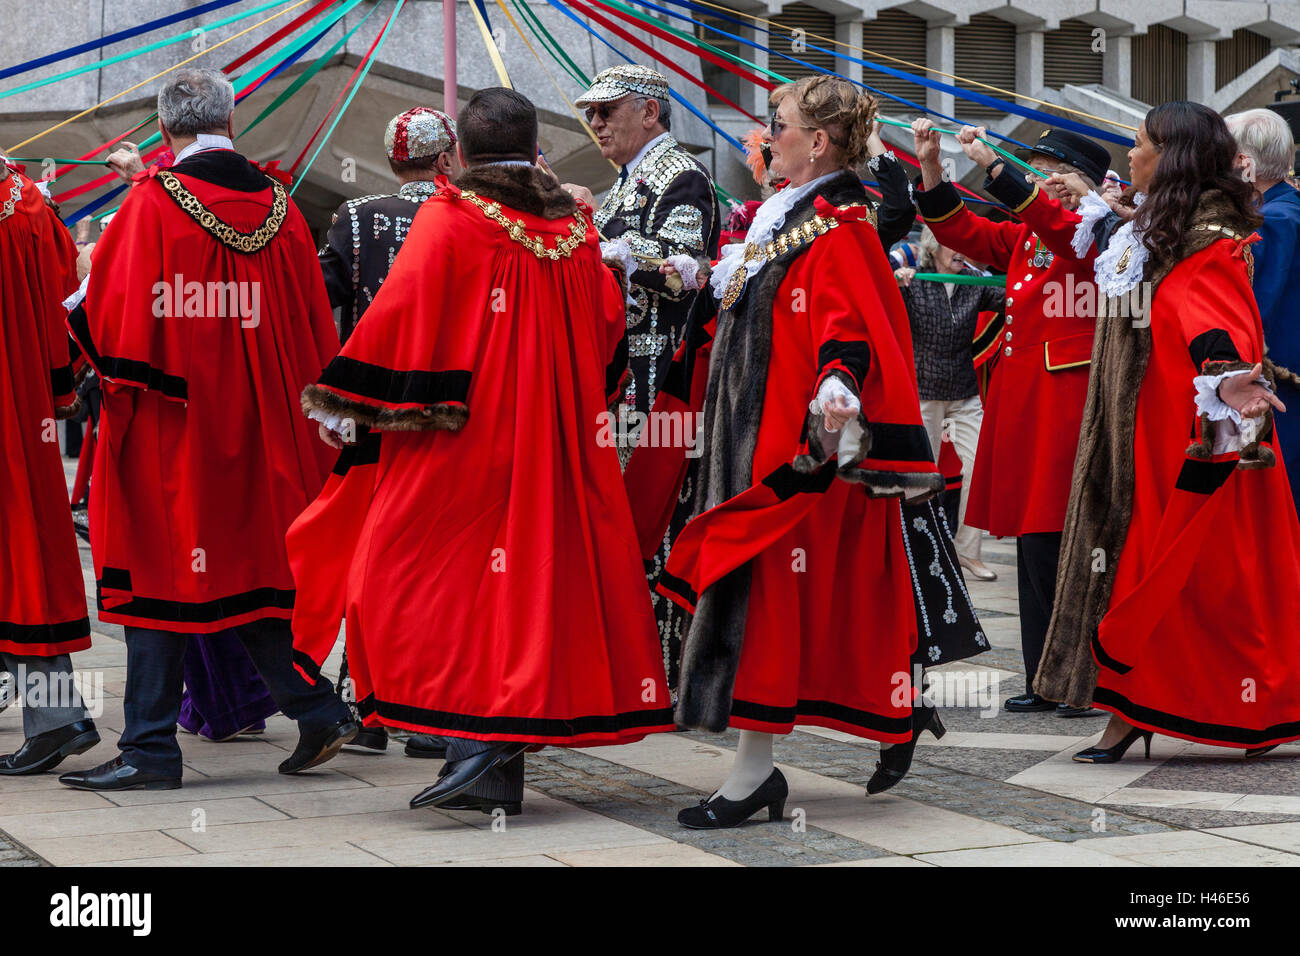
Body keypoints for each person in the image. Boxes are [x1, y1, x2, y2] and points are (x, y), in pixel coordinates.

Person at [286, 88, 674, 817]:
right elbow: (606, 334)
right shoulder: (575, 229)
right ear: (538, 151)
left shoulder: (450, 217)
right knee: (521, 589)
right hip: (556, 441)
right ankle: (488, 761)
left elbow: (400, 316)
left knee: (406, 576)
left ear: (459, 154)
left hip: (463, 439)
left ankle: (484, 744)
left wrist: (347, 408)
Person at [635, 75, 946, 827]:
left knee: (766, 600)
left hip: (786, 454)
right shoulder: (787, 218)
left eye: (778, 124)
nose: (767, 135)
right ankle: (850, 726)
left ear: (818, 142)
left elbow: (849, 324)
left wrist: (838, 383)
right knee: (774, 599)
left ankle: (752, 773)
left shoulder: (839, 225)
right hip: (745, 441)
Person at [60, 68, 357, 793]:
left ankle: (152, 749)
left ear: (166, 132)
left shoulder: (152, 203)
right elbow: (314, 327)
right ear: (232, 121)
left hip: (176, 427)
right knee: (243, 576)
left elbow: (108, 316)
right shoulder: (284, 208)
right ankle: (317, 711)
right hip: (261, 431)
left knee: (157, 575)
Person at [1035, 101, 1300, 761]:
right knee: (1152, 565)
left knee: (1195, 570)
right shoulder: (1162, 223)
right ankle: (1141, 705)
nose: (1130, 154)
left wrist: (1224, 374)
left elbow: (1213, 313)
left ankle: (1221, 703)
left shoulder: (1211, 233)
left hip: (1186, 430)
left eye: (1140, 143)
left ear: (1172, 156)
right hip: (1136, 427)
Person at [912, 120, 1111, 717]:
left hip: (1065, 398)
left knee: (1068, 539)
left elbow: (1056, 221)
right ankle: (1044, 676)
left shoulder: (1094, 226)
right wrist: (930, 168)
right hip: (1025, 398)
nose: (1046, 181)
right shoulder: (1033, 231)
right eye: (1039, 169)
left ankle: (1081, 678)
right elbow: (965, 232)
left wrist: (997, 168)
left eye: (1057, 171)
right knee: (1033, 542)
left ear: (1087, 183)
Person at [566, 64, 720, 693]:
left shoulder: (680, 174)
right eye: (591, 113)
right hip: (630, 375)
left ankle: (655, 671)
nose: (596, 123)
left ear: (651, 112)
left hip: (660, 377)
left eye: (608, 111)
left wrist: (613, 254)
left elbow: (689, 272)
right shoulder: (631, 180)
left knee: (651, 522)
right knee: (627, 522)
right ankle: (636, 664)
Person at [317, 106, 459, 757]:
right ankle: (431, 711)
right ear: (447, 158)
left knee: (369, 557)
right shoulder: (470, 218)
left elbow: (319, 301)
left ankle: (362, 705)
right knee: (438, 561)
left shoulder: (358, 217)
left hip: (372, 415)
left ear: (391, 158)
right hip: (448, 418)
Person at [0, 159, 100, 775]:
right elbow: (66, 297)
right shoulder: (26, 200)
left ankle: (59, 718)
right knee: (20, 558)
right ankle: (57, 717)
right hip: (21, 412)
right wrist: (55, 385)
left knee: (17, 564)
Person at [894, 226, 1005, 580]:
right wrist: (898, 277)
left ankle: (967, 551)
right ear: (933, 246)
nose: (960, 250)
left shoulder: (975, 280)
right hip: (923, 391)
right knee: (921, 477)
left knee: (979, 468)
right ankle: (918, 552)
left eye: (962, 245)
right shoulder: (916, 276)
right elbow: (879, 282)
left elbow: (1012, 296)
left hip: (963, 392)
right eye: (951, 244)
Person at [319, 106, 459, 343]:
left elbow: (311, 293)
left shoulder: (358, 215)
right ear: (445, 161)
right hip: (454, 375)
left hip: (368, 376)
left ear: (393, 163)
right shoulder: (476, 217)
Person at [1225, 108, 1300, 516]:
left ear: (1245, 164)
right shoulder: (1285, 210)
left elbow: (1255, 309)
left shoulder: (1271, 221)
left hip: (1281, 388)